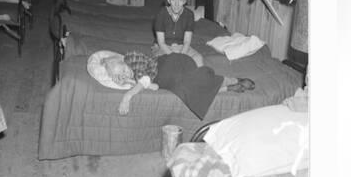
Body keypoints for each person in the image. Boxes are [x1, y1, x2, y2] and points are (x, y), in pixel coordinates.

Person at [100, 51, 255, 118]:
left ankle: (231, 80)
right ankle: (228, 87)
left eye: (123, 70)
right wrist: (127, 81)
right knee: (184, 91)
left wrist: (128, 95)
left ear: (123, 61)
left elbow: (146, 79)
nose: (125, 74)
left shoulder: (132, 57)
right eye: (119, 76)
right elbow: (151, 85)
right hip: (167, 80)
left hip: (171, 64)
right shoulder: (130, 77)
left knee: (190, 81)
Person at [153, 0, 204, 67]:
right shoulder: (161, 14)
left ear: (185, 1)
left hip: (182, 47)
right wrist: (174, 57)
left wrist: (181, 57)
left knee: (198, 58)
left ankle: (196, 77)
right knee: (163, 64)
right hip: (163, 47)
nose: (177, 4)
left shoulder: (189, 15)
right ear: (168, 0)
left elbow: (187, 42)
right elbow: (161, 43)